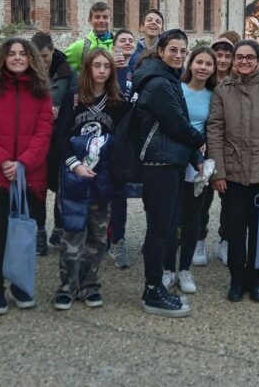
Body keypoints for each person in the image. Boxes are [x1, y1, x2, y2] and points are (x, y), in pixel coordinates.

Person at [0, 37, 53, 315]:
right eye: (11, 54)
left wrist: (24, 163)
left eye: (23, 54)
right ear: (3, 58)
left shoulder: (42, 93)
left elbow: (43, 135)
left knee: (22, 236)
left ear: (31, 59)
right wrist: (3, 160)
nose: (17, 58)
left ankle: (19, 285)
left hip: (28, 176)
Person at [207, 39, 259, 303]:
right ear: (233, 60)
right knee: (234, 229)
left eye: (249, 57)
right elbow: (215, 131)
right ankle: (236, 279)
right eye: (239, 57)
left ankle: (256, 280)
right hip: (231, 172)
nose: (244, 62)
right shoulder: (223, 90)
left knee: (258, 231)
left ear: (257, 60)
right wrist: (218, 172)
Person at [132, 29, 206, 317]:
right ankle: (152, 291)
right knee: (159, 231)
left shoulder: (166, 77)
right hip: (160, 163)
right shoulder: (161, 83)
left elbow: (176, 125)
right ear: (160, 51)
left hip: (168, 160)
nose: (178, 55)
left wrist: (194, 154)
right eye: (172, 49)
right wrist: (198, 140)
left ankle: (155, 288)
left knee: (163, 228)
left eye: (182, 51)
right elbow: (177, 124)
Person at [52, 48, 130, 310]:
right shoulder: (74, 98)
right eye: (97, 65)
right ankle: (67, 286)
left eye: (107, 67)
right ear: (88, 68)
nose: (101, 71)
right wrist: (74, 165)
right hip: (75, 175)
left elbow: (122, 139)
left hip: (102, 176)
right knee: (73, 232)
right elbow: (60, 136)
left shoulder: (117, 101)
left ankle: (90, 284)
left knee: (97, 234)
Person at [162, 46, 217, 294]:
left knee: (193, 216)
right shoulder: (176, 89)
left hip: (198, 163)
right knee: (170, 217)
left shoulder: (213, 95)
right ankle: (167, 269)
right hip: (174, 158)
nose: (203, 67)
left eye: (208, 64)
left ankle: (185, 269)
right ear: (190, 63)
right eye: (199, 62)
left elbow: (214, 127)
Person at [31, 31, 77, 253]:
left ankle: (58, 228)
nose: (41, 62)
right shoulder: (27, 74)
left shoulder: (68, 72)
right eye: (37, 57)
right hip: (35, 140)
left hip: (59, 137)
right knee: (37, 188)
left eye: (45, 56)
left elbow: (77, 102)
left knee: (61, 186)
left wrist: (61, 110)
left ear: (53, 51)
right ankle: (39, 230)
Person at [199, 35, 237, 265]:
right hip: (203, 148)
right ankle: (198, 239)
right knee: (201, 199)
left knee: (230, 200)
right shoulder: (202, 83)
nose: (222, 60)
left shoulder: (237, 83)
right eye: (218, 56)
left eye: (227, 56)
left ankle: (225, 241)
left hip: (230, 149)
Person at [106, 29, 137, 268]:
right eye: (122, 40)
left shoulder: (139, 70)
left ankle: (118, 240)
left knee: (120, 193)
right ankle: (106, 239)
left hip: (129, 141)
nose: (127, 43)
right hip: (106, 138)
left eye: (130, 40)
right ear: (114, 45)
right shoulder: (106, 71)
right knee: (103, 193)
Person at [65, 2, 114, 71]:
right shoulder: (80, 47)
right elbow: (60, 66)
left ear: (110, 20)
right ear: (90, 20)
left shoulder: (118, 46)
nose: (101, 20)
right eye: (97, 17)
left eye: (105, 17)